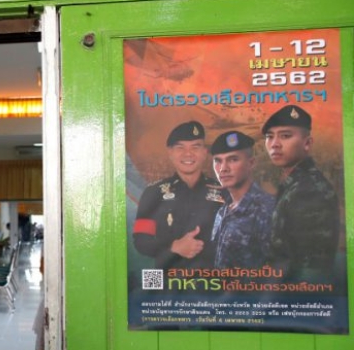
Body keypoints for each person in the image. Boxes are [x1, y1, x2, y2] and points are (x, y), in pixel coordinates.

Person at [132, 120, 226, 269]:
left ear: (204, 153)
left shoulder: (224, 192)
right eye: (180, 147)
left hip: (211, 283)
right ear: (170, 153)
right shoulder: (153, 193)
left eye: (195, 147)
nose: (188, 153)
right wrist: (174, 246)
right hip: (166, 282)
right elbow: (140, 241)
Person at [263, 105, 339, 281]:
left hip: (296, 298)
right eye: (269, 137)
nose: (274, 144)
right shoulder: (292, 183)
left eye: (285, 136)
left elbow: (312, 269)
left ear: (307, 143)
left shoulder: (309, 190)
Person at [210, 131, 275, 268]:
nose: (223, 168)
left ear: (251, 163)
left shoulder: (267, 210)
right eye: (218, 161)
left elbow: (279, 273)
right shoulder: (223, 211)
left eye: (233, 159)